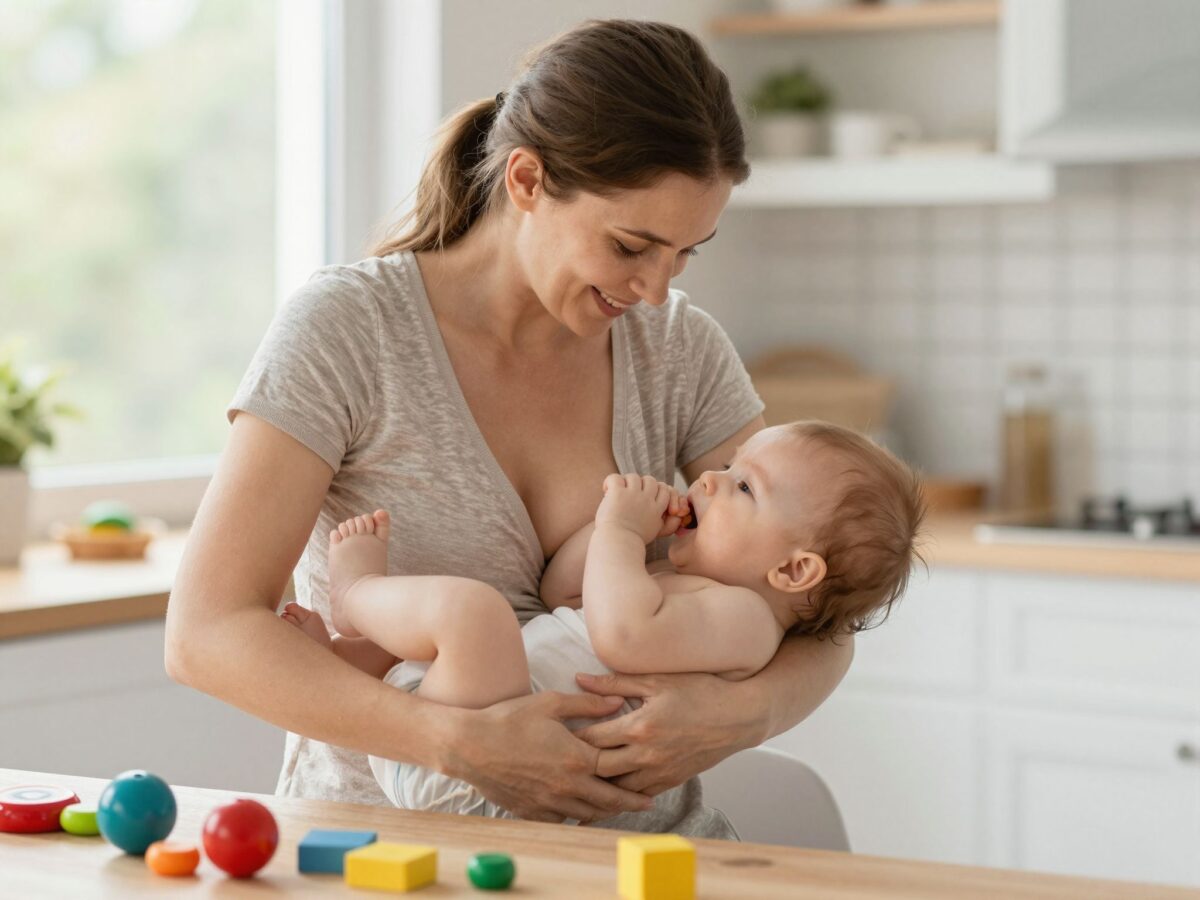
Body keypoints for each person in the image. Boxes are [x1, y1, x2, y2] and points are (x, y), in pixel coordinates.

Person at [164, 18, 858, 830]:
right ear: (527, 180)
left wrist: (743, 716)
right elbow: (206, 632)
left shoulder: (677, 349)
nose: (657, 289)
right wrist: (453, 742)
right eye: (633, 245)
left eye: (685, 254)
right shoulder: (350, 330)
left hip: (640, 861)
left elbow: (822, 597)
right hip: (387, 858)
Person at [281, 421, 925, 832]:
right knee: (484, 625)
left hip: (483, 784)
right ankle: (346, 655)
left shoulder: (747, 623)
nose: (708, 479)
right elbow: (564, 591)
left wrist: (623, 531)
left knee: (474, 614)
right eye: (728, 468)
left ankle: (355, 593)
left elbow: (621, 636)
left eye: (743, 487)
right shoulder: (688, 588)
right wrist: (610, 531)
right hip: (458, 728)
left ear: (792, 570)